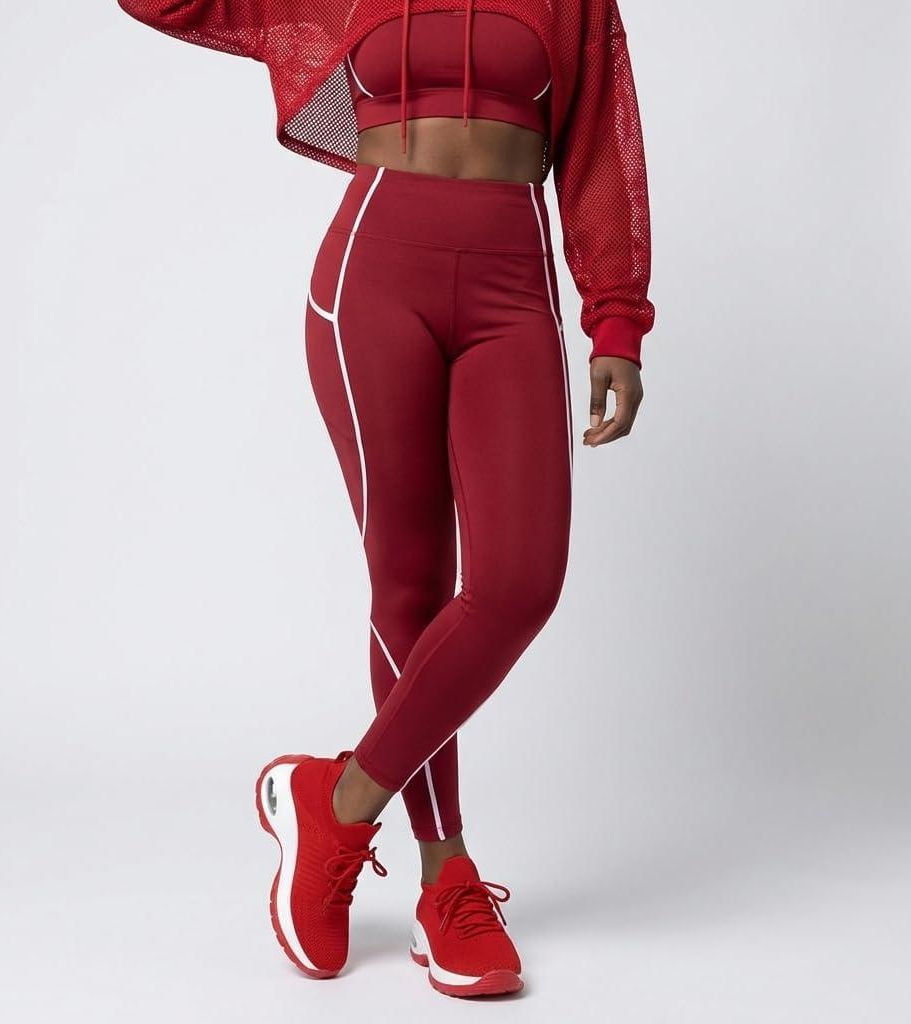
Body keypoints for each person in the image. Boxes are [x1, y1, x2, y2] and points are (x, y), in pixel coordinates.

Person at [117, 0, 655, 998]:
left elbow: (595, 145)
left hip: (511, 290)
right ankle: (446, 878)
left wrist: (615, 319)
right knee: (408, 583)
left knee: (518, 584)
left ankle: (335, 802)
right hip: (374, 277)